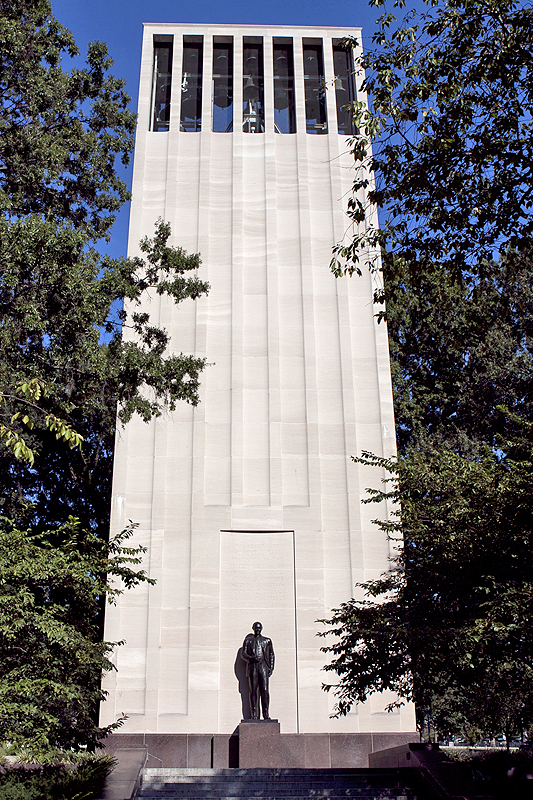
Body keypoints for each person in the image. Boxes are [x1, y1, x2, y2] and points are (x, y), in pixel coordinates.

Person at [241, 621, 275, 720]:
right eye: (256, 628)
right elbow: (243, 654)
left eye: (259, 628)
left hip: (263, 667)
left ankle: (266, 714)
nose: (258, 630)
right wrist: (251, 658)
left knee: (264, 690)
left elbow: (271, 655)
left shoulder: (267, 641)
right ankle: (254, 715)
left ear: (261, 628)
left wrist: (271, 668)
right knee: (253, 691)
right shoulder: (248, 641)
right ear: (253, 628)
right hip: (252, 667)